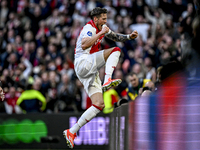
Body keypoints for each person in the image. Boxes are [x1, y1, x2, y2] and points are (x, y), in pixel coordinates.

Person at [63, 7, 138, 148]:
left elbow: (115, 36)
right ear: (95, 19)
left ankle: (72, 131)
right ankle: (107, 79)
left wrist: (129, 37)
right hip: (83, 62)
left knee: (99, 104)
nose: (105, 20)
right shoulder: (89, 28)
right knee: (115, 51)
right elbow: (85, 44)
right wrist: (101, 33)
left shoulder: (102, 27)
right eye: (103, 18)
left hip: (88, 70)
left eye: (106, 18)